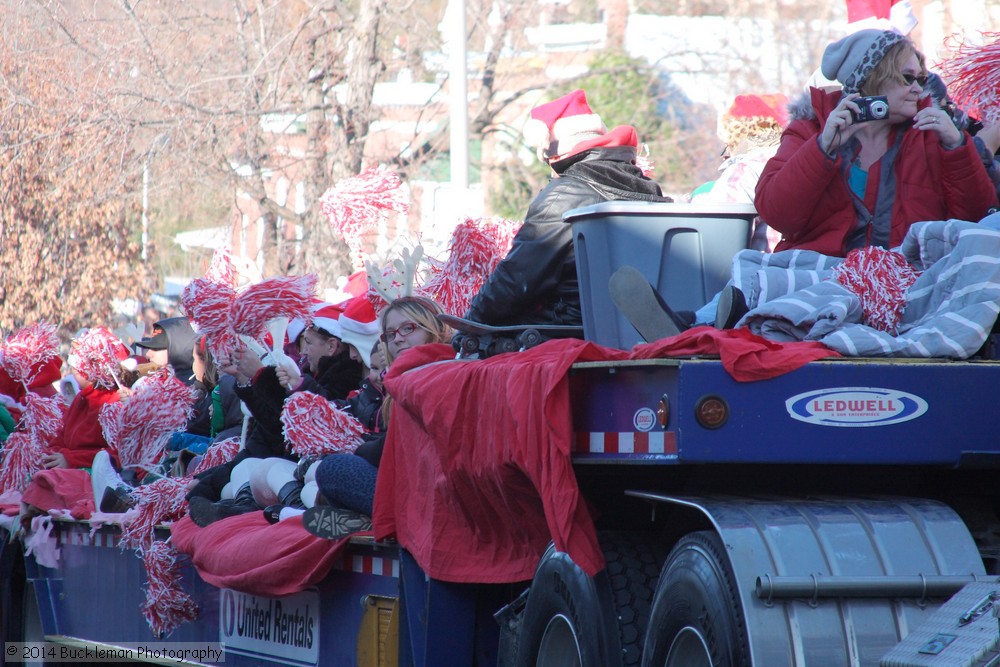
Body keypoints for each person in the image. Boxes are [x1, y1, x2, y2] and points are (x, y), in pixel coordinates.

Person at [755, 29, 998, 256]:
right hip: (823, 275)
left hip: (907, 279)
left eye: (921, 80)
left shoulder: (932, 135)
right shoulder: (811, 128)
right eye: (907, 78)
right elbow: (777, 215)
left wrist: (956, 148)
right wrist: (822, 148)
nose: (917, 89)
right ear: (872, 77)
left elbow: (975, 224)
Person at [463, 89, 670, 329]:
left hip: (567, 332)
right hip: (636, 332)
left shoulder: (562, 195)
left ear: (556, 156)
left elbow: (515, 282)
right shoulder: (649, 189)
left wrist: (469, 324)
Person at [301, 296, 452, 538]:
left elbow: (399, 446)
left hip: (434, 496)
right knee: (323, 471)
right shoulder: (402, 379)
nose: (398, 338)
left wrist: (357, 448)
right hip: (413, 485)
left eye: (407, 328)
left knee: (333, 468)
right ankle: (363, 519)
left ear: (433, 329)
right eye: (391, 334)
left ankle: (373, 519)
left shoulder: (439, 373)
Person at [133, 316, 198, 387]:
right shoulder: (177, 382)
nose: (148, 354)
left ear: (177, 348)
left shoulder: (192, 388)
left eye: (156, 348)